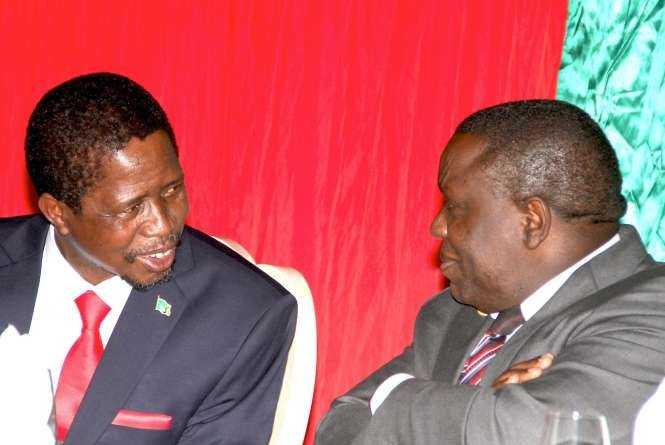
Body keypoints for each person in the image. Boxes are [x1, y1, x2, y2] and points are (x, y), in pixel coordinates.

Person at [315, 99, 665, 445]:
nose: (438, 227)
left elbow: (531, 433)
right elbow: (339, 425)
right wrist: (485, 406)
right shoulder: (453, 314)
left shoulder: (653, 307)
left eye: (454, 207)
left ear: (532, 221)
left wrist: (394, 394)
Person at [0, 73, 296, 444]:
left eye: (172, 190)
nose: (163, 224)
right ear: (57, 212)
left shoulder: (242, 318)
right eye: (131, 208)